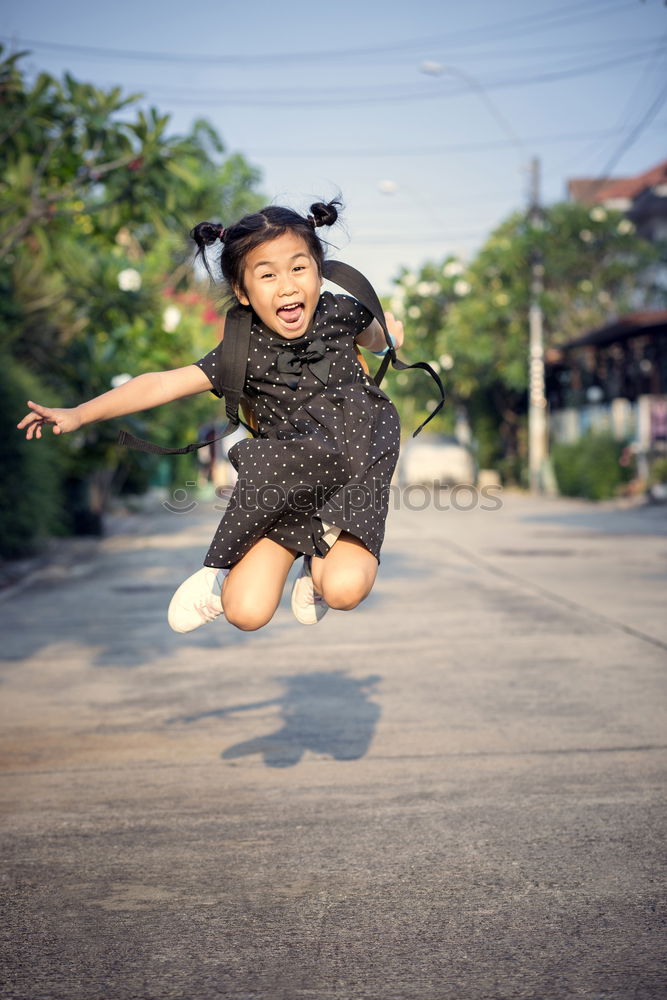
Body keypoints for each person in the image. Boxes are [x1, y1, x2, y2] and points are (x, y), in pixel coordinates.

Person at [17, 198, 403, 635]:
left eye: (299, 268)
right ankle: (223, 580)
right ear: (243, 291)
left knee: (344, 589)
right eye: (267, 275)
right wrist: (80, 414)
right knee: (246, 612)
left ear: (318, 270)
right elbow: (161, 383)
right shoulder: (242, 352)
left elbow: (378, 335)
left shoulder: (340, 311)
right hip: (284, 489)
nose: (288, 286)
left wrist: (387, 330)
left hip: (354, 482)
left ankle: (319, 561)